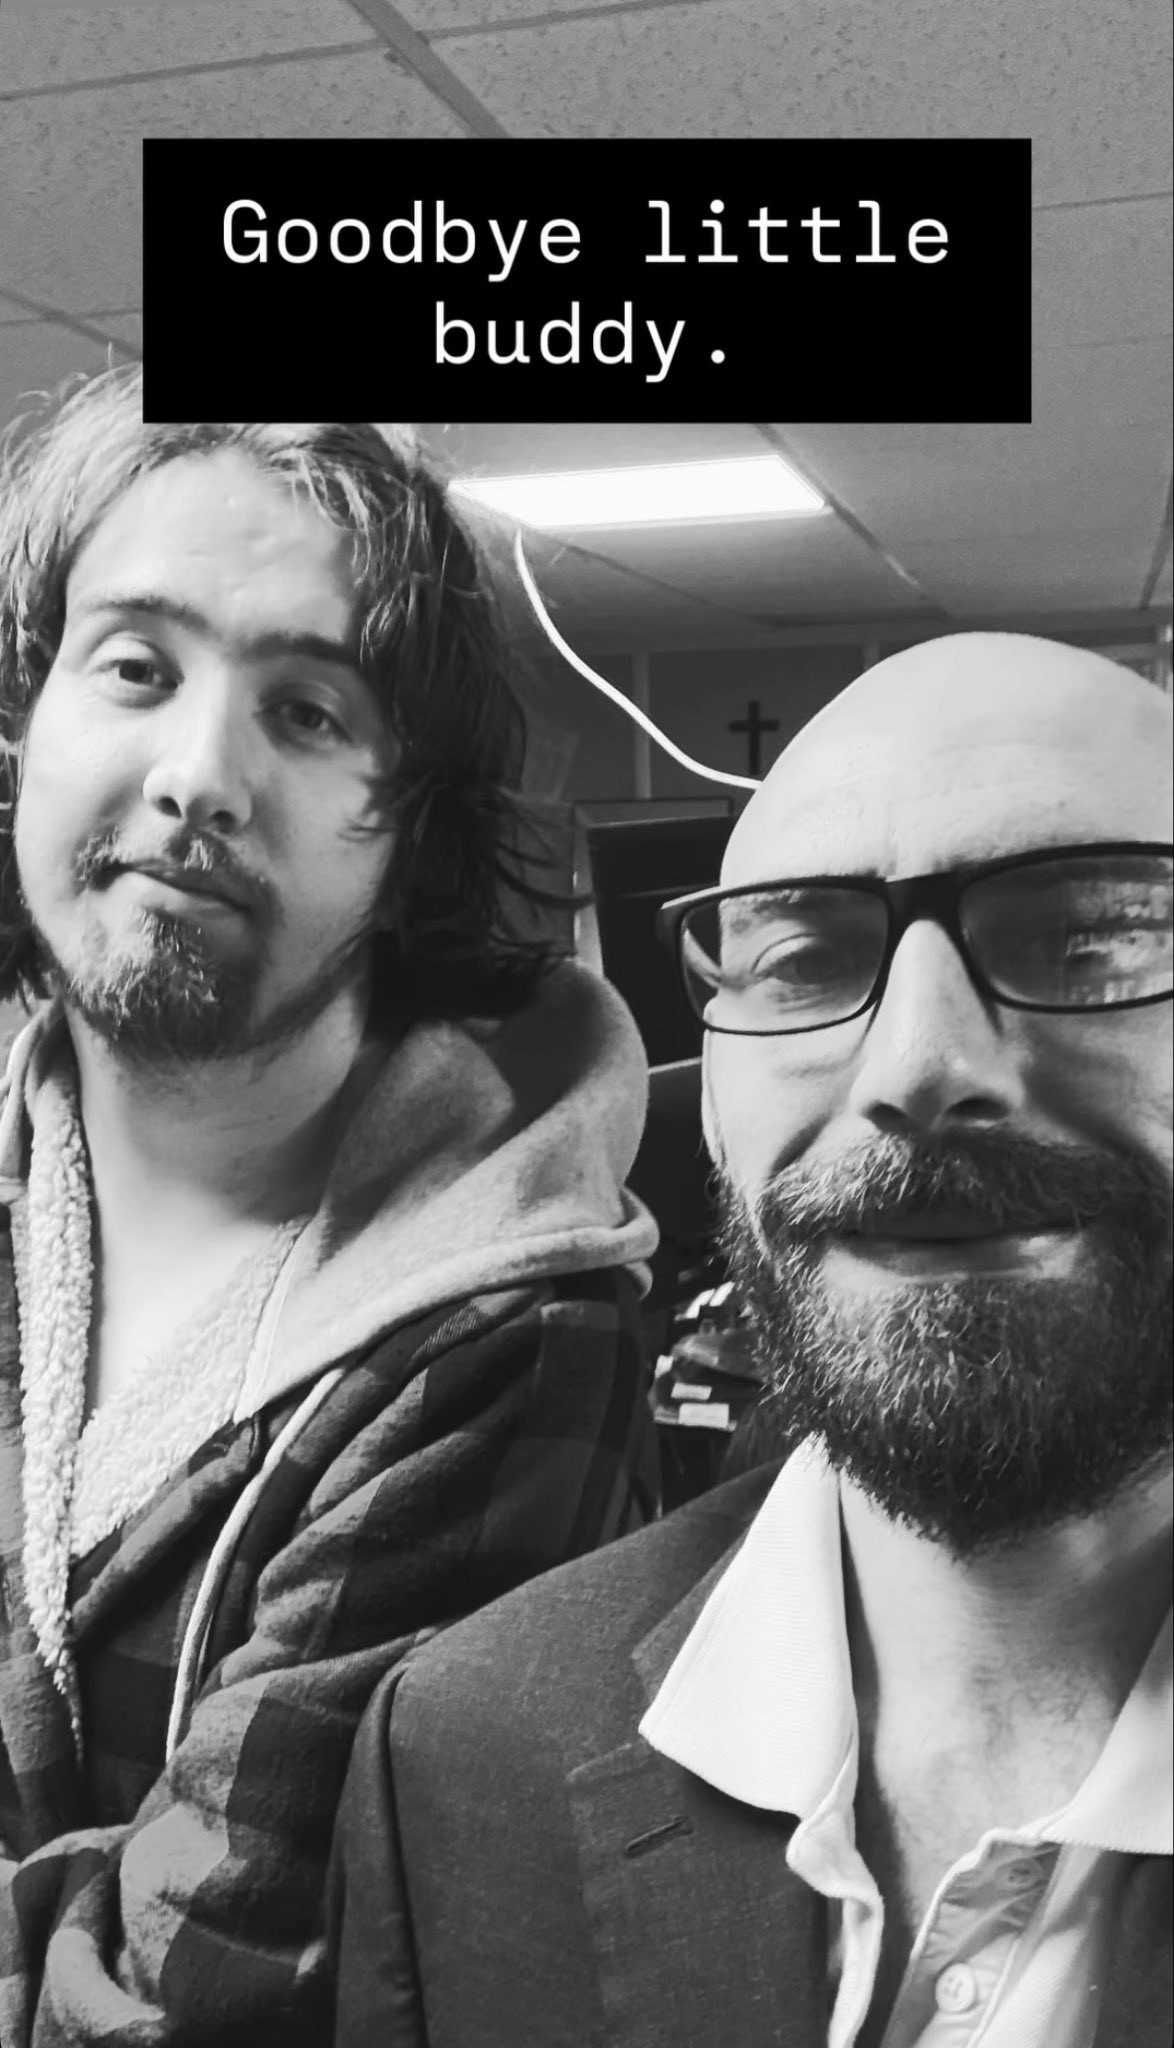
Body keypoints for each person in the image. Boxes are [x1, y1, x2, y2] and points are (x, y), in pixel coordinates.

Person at [330, 633, 1173, 2048]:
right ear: (714, 1105)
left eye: (1085, 938)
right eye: (803, 959)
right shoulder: (461, 1755)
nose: (916, 1065)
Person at [0, 370, 660, 2046]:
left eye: (306, 712)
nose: (198, 775)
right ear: (29, 719)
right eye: (135, 667)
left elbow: (190, 1994)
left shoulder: (512, 1326)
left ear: (409, 838)